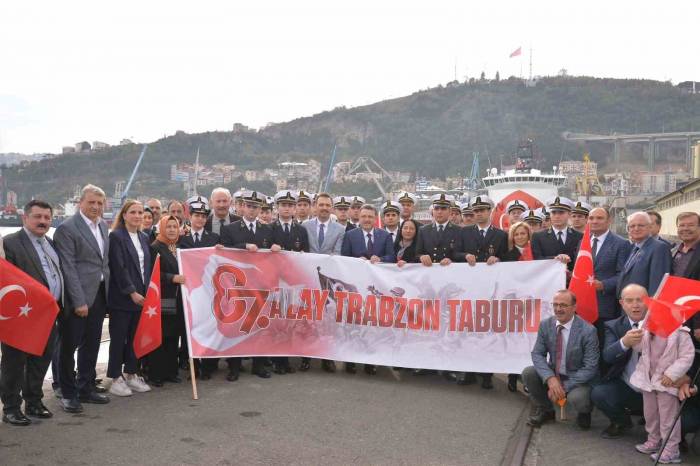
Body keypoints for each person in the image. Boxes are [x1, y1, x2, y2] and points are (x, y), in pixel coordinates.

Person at [0, 200, 63, 425]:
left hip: (47, 315)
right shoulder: (10, 243)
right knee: (13, 363)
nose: (43, 221)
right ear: (25, 218)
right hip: (21, 315)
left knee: (41, 359)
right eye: (37, 217)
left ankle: (34, 401)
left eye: (47, 217)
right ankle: (10, 407)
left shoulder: (50, 243)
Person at [54, 184, 111, 413]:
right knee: (68, 346)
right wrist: (79, 301)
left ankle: (86, 387)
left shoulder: (104, 226)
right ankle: (67, 393)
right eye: (91, 202)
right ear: (81, 203)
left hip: (99, 294)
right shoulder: (67, 229)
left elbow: (102, 262)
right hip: (76, 298)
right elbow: (68, 268)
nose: (96, 207)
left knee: (92, 344)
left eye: (99, 203)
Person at [522, 289, 599, 429]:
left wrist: (563, 387)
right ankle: (547, 410)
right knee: (529, 373)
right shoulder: (546, 324)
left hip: (577, 377)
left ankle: (584, 413)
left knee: (578, 398)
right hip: (555, 373)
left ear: (574, 307)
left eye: (563, 305)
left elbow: (590, 367)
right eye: (555, 305)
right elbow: (537, 354)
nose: (558, 309)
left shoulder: (588, 331)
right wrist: (550, 379)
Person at [220, 191, 275, 380]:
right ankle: (234, 367)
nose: (252, 210)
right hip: (238, 284)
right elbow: (223, 251)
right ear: (243, 206)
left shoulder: (268, 229)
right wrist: (244, 246)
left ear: (260, 208)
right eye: (249, 206)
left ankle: (258, 365)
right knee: (237, 326)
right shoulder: (231, 229)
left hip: (260, 284)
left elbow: (275, 253)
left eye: (256, 207)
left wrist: (277, 248)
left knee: (259, 324)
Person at [630, 307, 694, 463]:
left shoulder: (680, 333)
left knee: (668, 417)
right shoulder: (647, 331)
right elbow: (638, 349)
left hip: (666, 382)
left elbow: (687, 356)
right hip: (648, 379)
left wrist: (672, 374)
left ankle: (671, 449)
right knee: (650, 413)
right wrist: (636, 336)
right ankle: (654, 440)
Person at [459, 195, 507, 389]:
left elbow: (508, 258)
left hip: (491, 289)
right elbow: (455, 254)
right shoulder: (465, 233)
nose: (479, 214)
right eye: (476, 211)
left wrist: (498, 259)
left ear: (490, 211)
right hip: (470, 287)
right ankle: (469, 370)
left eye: (482, 210)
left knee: (488, 329)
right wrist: (465, 255)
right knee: (469, 328)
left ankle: (487, 374)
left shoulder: (501, 235)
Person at [341, 204, 394, 376]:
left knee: (372, 324)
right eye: (363, 216)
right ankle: (351, 361)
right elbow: (343, 258)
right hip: (355, 287)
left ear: (375, 218)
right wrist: (358, 260)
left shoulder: (385, 236)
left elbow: (391, 257)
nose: (366, 219)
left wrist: (380, 259)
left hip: (375, 288)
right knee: (353, 323)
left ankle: (371, 362)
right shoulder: (349, 235)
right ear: (359, 217)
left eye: (370, 217)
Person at [106, 199, 152, 397]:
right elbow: (118, 268)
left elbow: (146, 268)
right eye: (133, 212)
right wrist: (131, 291)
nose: (137, 216)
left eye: (140, 212)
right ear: (124, 215)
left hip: (142, 298)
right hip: (123, 298)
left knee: (135, 338)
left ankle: (131, 374)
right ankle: (115, 378)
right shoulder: (116, 237)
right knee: (118, 338)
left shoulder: (143, 237)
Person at [590, 284, 647, 439]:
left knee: (687, 419)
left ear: (648, 301)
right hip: (628, 386)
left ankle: (674, 436)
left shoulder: (661, 323)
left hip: (656, 389)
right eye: (629, 300)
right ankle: (621, 421)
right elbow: (607, 356)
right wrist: (624, 342)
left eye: (640, 300)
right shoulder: (613, 325)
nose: (635, 305)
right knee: (600, 393)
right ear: (622, 303)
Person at [300, 193, 345, 373]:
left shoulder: (340, 230)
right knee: (308, 319)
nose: (324, 208)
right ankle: (306, 357)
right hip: (307, 278)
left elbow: (338, 254)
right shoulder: (304, 226)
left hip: (328, 281)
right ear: (315, 206)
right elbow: (301, 250)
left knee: (328, 320)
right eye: (321, 204)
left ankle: (327, 358)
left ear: (331, 208)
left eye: (328, 205)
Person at [179, 198, 221, 379]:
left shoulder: (214, 239)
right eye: (197, 216)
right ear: (190, 217)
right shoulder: (182, 239)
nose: (201, 219)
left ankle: (209, 366)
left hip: (209, 291)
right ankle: (193, 366)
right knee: (191, 328)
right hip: (189, 291)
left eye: (204, 216)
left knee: (209, 327)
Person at [270, 190, 309, 374]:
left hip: (294, 282)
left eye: (289, 205)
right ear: (277, 207)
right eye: (283, 205)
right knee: (278, 320)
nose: (286, 208)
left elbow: (307, 255)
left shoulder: (301, 230)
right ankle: (278, 360)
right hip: (276, 281)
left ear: (294, 208)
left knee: (291, 320)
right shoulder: (270, 228)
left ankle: (286, 359)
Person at [149, 215, 186, 386]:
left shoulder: (180, 247)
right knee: (161, 337)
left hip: (179, 299)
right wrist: (173, 278)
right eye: (168, 226)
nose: (172, 230)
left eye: (174, 226)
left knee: (173, 336)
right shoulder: (156, 247)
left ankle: (171, 371)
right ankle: (156, 374)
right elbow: (153, 273)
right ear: (162, 228)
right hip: (162, 299)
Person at [588, 206, 632, 338]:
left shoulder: (621, 244)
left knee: (603, 346)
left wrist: (603, 285)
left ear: (609, 221)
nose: (594, 221)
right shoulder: (582, 242)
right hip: (583, 306)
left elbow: (624, 276)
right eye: (591, 218)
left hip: (606, 307)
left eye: (599, 218)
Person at [616, 211, 672, 298]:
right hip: (629, 305)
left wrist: (651, 309)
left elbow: (657, 285)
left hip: (643, 307)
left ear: (650, 227)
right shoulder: (635, 247)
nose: (636, 228)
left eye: (641, 225)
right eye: (632, 226)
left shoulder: (659, 248)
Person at [531, 197, 582, 274]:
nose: (557, 216)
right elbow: (537, 259)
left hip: (572, 281)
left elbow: (581, 260)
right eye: (554, 212)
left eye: (561, 212)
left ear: (569, 214)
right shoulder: (538, 236)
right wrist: (555, 258)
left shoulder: (579, 236)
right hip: (548, 280)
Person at [415, 193, 463, 267]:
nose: (439, 212)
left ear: (450, 211)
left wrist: (452, 260)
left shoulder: (458, 230)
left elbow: (460, 254)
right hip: (429, 271)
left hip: (449, 271)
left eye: (443, 208)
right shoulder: (423, 230)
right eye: (436, 208)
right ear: (433, 211)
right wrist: (421, 257)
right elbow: (416, 254)